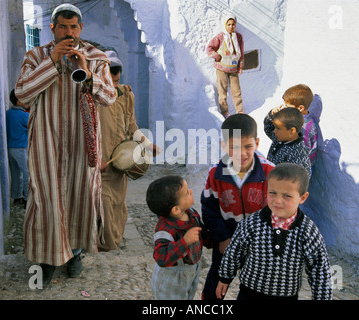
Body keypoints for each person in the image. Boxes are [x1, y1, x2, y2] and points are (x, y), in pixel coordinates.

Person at [14, 3, 117, 288]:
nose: (68, 33)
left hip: (82, 145)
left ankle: (75, 254)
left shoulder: (96, 57)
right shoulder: (35, 56)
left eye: (73, 27)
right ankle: (45, 260)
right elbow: (22, 93)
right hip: (46, 141)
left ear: (81, 29)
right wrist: (51, 64)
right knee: (45, 199)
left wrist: (87, 71)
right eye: (63, 27)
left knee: (80, 197)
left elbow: (109, 97)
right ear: (53, 28)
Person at [216, 163, 332, 300]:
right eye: (272, 193)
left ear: (302, 197)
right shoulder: (253, 223)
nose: (277, 201)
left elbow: (320, 269)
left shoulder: (307, 231)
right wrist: (224, 277)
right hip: (249, 293)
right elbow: (234, 251)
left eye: (287, 196)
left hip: (286, 297)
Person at [201, 113, 275, 300]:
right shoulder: (215, 174)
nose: (242, 153)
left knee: (257, 290)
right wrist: (223, 237)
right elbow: (209, 209)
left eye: (248, 146)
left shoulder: (270, 173)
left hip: (259, 244)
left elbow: (277, 211)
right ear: (224, 145)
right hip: (227, 240)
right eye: (234, 147)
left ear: (257, 143)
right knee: (214, 288)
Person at [98, 51, 161, 251]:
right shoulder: (94, 96)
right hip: (100, 160)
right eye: (110, 80)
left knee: (118, 203)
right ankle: (105, 243)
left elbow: (132, 127)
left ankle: (113, 240)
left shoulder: (126, 94)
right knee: (104, 202)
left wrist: (147, 144)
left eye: (117, 80)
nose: (113, 85)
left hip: (121, 158)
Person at [146, 175, 211, 300]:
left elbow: (202, 235)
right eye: (187, 193)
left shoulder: (191, 214)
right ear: (175, 209)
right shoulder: (165, 229)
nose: (191, 191)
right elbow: (161, 257)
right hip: (172, 278)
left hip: (191, 271)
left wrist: (219, 242)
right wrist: (185, 242)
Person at [207, 13, 244, 118]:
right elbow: (209, 48)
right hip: (221, 69)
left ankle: (240, 111)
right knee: (222, 92)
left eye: (233, 24)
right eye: (229, 24)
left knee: (236, 91)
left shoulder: (238, 37)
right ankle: (225, 112)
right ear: (225, 25)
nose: (231, 27)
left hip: (234, 69)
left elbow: (240, 51)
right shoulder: (220, 37)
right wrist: (217, 56)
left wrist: (240, 66)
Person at [264, 107, 312, 178]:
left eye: (278, 128)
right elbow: (268, 128)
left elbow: (303, 177)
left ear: (292, 130)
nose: (274, 131)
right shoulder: (280, 137)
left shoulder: (298, 154)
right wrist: (271, 114)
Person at [282, 84, 318, 166]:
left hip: (301, 167)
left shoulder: (302, 127)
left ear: (300, 108)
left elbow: (303, 150)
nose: (285, 108)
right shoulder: (305, 119)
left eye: (288, 107)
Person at [6, 89, 30, 208]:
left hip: (10, 149)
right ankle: (26, 198)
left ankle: (16, 197)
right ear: (19, 102)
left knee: (15, 173)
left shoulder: (8, 113)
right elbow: (32, 126)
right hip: (21, 148)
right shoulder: (24, 115)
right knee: (27, 173)